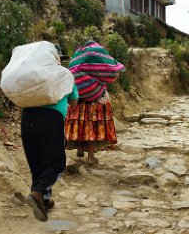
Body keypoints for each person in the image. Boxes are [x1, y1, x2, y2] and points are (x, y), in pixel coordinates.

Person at [21, 56, 78, 222]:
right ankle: (38, 192)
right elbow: (74, 102)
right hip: (51, 120)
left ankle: (43, 201)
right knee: (55, 164)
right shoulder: (64, 74)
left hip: (27, 117)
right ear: (57, 60)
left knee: (37, 162)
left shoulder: (31, 74)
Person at [64, 41, 125, 165]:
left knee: (80, 123)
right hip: (95, 99)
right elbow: (112, 73)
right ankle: (90, 157)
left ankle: (80, 149)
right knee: (92, 126)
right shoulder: (98, 57)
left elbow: (70, 73)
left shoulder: (77, 57)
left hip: (77, 98)